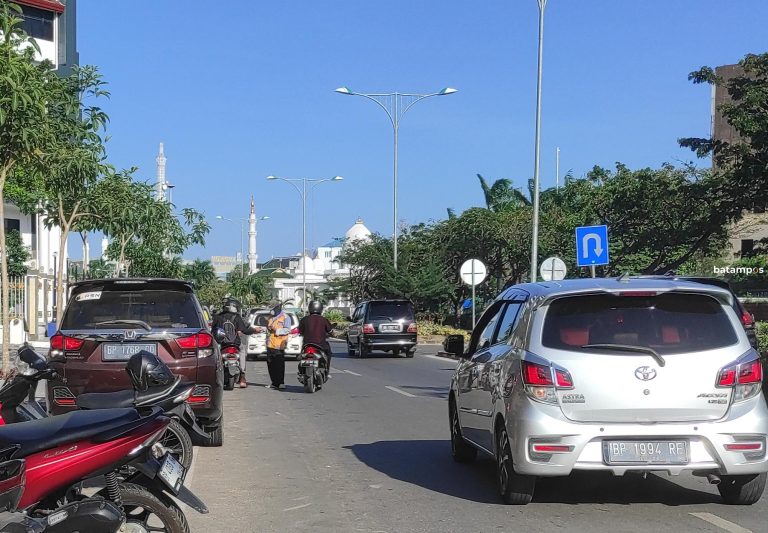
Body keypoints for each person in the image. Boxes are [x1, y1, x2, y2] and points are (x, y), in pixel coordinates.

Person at [211, 297, 255, 388]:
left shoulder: (218, 317)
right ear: (234, 307)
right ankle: (242, 377)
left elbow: (213, 330)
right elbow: (244, 330)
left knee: (215, 355)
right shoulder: (237, 317)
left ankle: (215, 376)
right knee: (242, 352)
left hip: (222, 344)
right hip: (235, 343)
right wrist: (254, 330)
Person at [298, 300, 334, 375]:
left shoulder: (304, 319)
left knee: (301, 355)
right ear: (320, 308)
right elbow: (330, 331)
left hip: (307, 344)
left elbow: (300, 331)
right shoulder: (324, 320)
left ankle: (301, 371)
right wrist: (332, 334)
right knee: (328, 353)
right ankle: (326, 371)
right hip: (321, 345)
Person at [266, 302, 292, 389]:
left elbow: (287, 330)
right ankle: (274, 382)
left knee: (279, 364)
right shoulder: (271, 317)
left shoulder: (285, 317)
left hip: (279, 345)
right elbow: (268, 328)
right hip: (270, 344)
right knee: (271, 364)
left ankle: (281, 382)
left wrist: (276, 330)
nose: (271, 310)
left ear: (277, 308)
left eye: (272, 308)